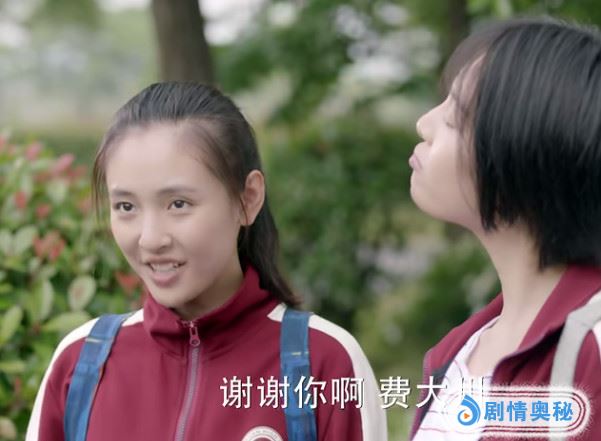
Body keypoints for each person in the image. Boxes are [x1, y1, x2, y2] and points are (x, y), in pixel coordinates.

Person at [25, 82, 387, 441]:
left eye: (178, 204)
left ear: (248, 198)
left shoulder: (325, 363)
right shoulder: (80, 364)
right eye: (126, 206)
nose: (150, 238)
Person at [408, 18, 601, 440]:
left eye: (455, 118)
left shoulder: (592, 346)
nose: (424, 124)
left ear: (527, 152)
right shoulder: (454, 352)